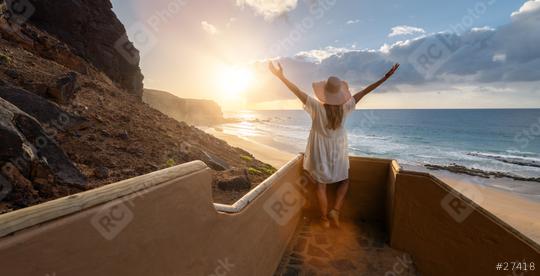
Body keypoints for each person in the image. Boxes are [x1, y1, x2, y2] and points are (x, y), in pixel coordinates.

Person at [269, 61, 399, 228]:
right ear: (339, 93)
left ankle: (324, 220)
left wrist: (281, 76)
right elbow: (365, 91)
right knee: (344, 181)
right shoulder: (345, 108)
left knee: (321, 186)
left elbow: (297, 91)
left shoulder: (315, 106)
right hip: (338, 152)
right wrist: (385, 78)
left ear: (324, 92)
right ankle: (335, 211)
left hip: (320, 152)